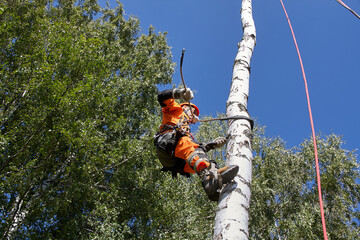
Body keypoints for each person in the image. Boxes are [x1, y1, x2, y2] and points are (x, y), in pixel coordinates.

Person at [154, 87, 239, 201]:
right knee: (189, 144)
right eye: (191, 111)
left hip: (176, 163)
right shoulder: (176, 110)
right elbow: (161, 97)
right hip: (167, 143)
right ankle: (208, 179)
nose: (193, 115)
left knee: (201, 154)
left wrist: (212, 145)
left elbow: (191, 149)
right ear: (184, 106)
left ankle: (214, 179)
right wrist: (179, 93)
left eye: (194, 113)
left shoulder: (186, 130)